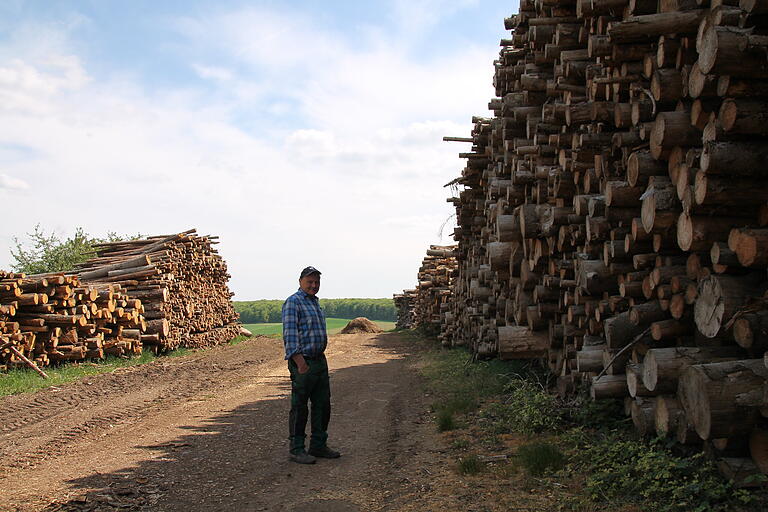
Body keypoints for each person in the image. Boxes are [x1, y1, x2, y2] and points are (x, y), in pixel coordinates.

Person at [281, 266, 341, 464]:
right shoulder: (293, 302)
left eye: (316, 282)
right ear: (300, 281)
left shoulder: (314, 303)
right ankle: (297, 448)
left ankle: (318, 445)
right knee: (300, 407)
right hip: (303, 362)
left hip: (319, 360)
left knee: (322, 405)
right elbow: (290, 335)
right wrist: (300, 363)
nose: (313, 286)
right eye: (310, 282)